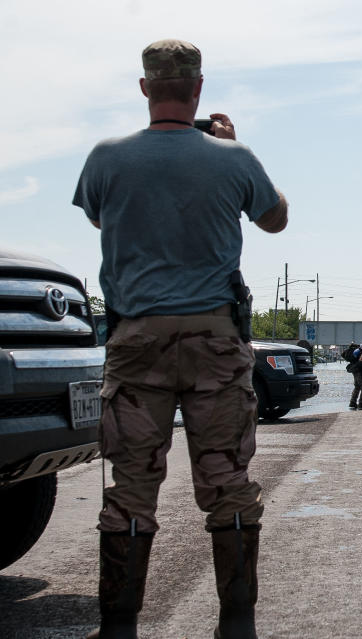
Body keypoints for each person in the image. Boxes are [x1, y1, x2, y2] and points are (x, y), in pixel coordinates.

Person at [73, 39, 287, 639]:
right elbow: (276, 218)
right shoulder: (233, 155)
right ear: (198, 88)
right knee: (228, 482)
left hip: (136, 339)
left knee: (132, 488)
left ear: (145, 87)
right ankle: (236, 624)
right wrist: (223, 148)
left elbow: (99, 216)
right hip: (216, 341)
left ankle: (119, 628)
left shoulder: (105, 157)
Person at [342, 343, 362, 409]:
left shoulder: (348, 351)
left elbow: (342, 355)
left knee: (357, 386)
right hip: (358, 368)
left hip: (353, 368)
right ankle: (361, 403)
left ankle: (353, 402)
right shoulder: (357, 351)